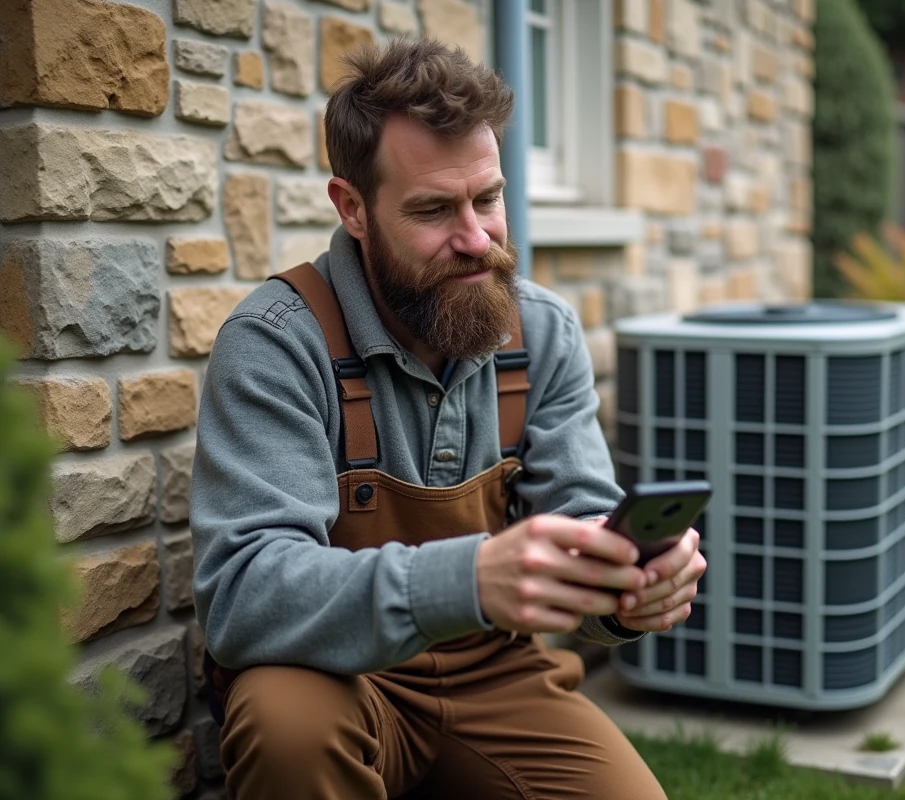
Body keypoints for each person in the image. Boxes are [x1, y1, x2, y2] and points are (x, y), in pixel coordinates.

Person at [190, 37, 706, 800]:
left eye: (488, 198)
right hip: (335, 676)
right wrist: (465, 579)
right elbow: (244, 592)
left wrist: (630, 591)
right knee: (286, 727)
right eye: (434, 209)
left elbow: (585, 522)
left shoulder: (543, 331)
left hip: (497, 674)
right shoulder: (275, 344)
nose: (476, 239)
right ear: (353, 207)